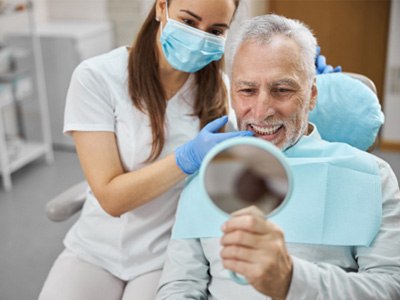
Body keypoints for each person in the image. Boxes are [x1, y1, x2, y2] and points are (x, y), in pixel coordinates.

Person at [156, 14, 400, 299]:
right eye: (247, 90)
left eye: (281, 90)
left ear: (311, 95)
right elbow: (179, 286)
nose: (261, 111)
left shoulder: (372, 176)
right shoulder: (205, 175)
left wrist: (291, 280)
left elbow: (391, 287)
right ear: (232, 94)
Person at [38, 1, 254, 299]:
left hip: (165, 255)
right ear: (161, 8)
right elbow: (112, 199)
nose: (200, 37)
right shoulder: (98, 77)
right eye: (189, 22)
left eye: (215, 30)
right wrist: (187, 157)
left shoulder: (221, 91)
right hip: (94, 249)